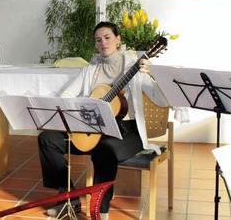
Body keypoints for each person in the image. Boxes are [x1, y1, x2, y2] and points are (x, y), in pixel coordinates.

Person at [38, 21, 167, 220]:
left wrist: (154, 74)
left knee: (104, 151)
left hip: (126, 131)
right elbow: (67, 95)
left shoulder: (134, 65)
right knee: (47, 139)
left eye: (107, 37)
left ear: (118, 39)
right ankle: (68, 198)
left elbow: (161, 98)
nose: (103, 43)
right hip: (93, 129)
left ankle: (101, 212)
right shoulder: (92, 68)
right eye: (98, 40)